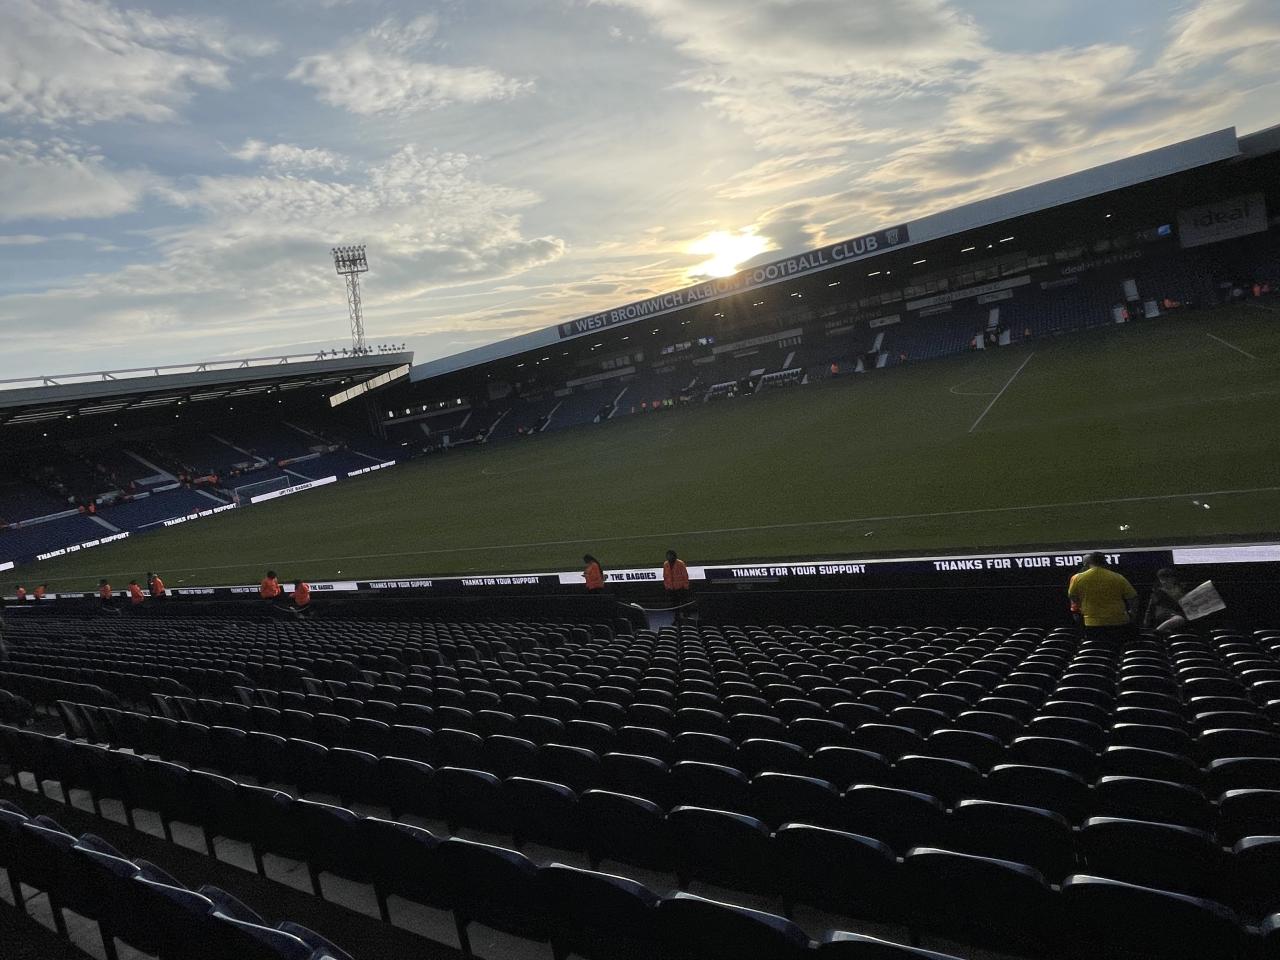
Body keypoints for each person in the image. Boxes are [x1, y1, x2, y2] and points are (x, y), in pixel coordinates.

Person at [1067, 552, 1138, 646]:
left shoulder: (1078, 578)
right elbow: (1132, 597)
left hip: (1092, 623)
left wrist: (1082, 608)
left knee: (1099, 651)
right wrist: (1132, 613)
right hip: (1118, 621)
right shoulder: (1118, 577)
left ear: (1090, 562)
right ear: (1105, 562)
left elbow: (1072, 596)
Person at [1144, 568, 1189, 634]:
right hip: (1164, 613)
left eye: (1167, 579)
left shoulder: (1181, 588)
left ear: (1173, 579)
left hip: (1180, 611)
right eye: (1161, 579)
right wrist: (1146, 621)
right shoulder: (1158, 592)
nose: (1164, 582)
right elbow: (1150, 607)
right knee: (1179, 619)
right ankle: (1156, 632)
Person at [663, 549, 691, 622]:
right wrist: (667, 586)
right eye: (668, 555)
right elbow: (665, 576)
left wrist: (685, 586)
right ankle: (677, 618)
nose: (669, 557)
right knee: (675, 605)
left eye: (670, 555)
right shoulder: (666, 564)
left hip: (681, 588)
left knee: (684, 604)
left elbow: (685, 575)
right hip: (671, 589)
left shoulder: (680, 563)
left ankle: (686, 618)